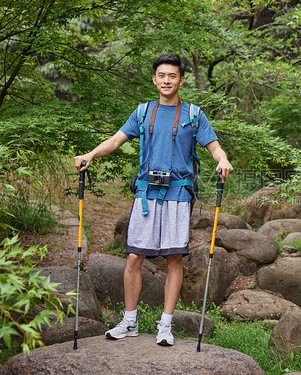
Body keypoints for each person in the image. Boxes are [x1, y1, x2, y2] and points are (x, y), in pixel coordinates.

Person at [74, 53, 233, 346]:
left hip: (178, 194)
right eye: (161, 75)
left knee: (174, 258)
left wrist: (223, 161)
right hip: (146, 193)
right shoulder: (143, 112)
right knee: (134, 256)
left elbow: (215, 148)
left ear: (181, 80)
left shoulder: (194, 114)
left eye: (172, 76)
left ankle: (166, 325)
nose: (166, 81)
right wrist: (90, 154)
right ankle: (130, 321)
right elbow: (115, 140)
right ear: (154, 79)